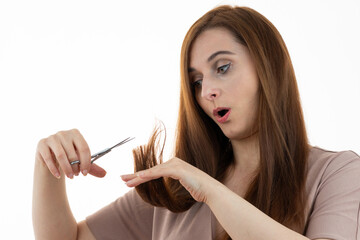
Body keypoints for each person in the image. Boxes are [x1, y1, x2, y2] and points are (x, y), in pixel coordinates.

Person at [32, 5, 360, 240]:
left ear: (268, 67)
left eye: (222, 67)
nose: (208, 91)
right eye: (197, 81)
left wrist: (212, 193)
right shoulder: (175, 189)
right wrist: (48, 167)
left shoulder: (337, 173)